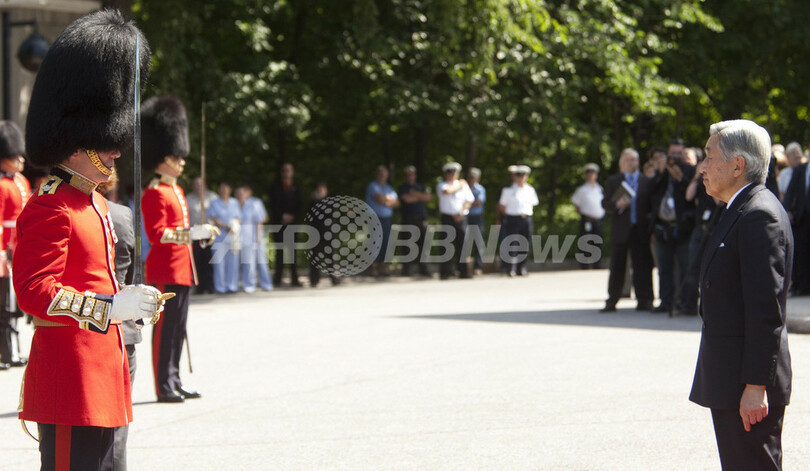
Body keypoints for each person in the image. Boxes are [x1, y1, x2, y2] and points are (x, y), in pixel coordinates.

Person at [13, 11, 165, 468]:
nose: (116, 150)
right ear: (76, 142)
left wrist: (130, 304)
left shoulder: (94, 204)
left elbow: (96, 277)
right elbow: (35, 292)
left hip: (105, 374)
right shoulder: (49, 206)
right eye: (105, 143)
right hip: (70, 382)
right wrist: (107, 308)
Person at [690, 119, 792, 470]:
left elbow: (766, 310)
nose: (701, 166)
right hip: (732, 378)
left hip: (745, 384)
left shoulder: (757, 215)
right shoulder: (740, 209)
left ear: (737, 165)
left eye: (708, 155)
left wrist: (755, 385)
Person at [141, 95, 219, 403]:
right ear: (161, 158)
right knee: (165, 331)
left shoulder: (174, 189)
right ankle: (163, 385)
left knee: (178, 329)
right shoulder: (155, 192)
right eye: (175, 156)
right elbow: (158, 234)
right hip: (165, 268)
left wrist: (195, 234)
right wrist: (191, 234)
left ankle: (174, 379)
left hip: (183, 268)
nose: (181, 161)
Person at [97, 172, 140, 470]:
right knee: (118, 426)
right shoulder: (123, 213)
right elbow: (132, 270)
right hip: (124, 327)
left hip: (91, 324)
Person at [601, 148, 655, 312]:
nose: (630, 163)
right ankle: (612, 300)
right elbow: (605, 204)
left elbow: (652, 206)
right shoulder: (614, 181)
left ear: (638, 162)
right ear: (621, 164)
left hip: (641, 229)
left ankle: (644, 300)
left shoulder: (647, 181)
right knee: (617, 265)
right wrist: (617, 205)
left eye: (633, 160)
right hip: (621, 230)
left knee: (642, 265)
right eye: (627, 160)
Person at [649, 138, 697, 314]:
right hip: (663, 227)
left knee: (685, 268)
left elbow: (691, 196)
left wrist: (681, 178)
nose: (675, 157)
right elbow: (650, 193)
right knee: (664, 268)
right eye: (672, 153)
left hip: (682, 227)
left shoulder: (689, 170)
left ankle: (686, 303)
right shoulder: (662, 172)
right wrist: (661, 173)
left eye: (679, 153)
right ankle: (666, 301)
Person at [0, 121, 30, 370]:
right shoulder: (2, 185)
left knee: (15, 303)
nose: (20, 159)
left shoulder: (22, 182)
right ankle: (6, 352)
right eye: (14, 155)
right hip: (5, 250)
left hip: (20, 247)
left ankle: (14, 349)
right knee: (4, 305)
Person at [498, 165, 539, 277]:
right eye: (518, 175)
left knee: (525, 243)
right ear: (515, 177)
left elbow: (533, 204)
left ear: (526, 177)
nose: (521, 178)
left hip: (526, 218)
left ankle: (522, 267)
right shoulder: (508, 190)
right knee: (513, 243)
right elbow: (502, 206)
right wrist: (510, 216)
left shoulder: (530, 190)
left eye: (523, 175)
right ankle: (511, 268)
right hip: (513, 219)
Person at [438, 162, 474, 279]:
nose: (452, 175)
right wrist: (460, 185)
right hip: (447, 217)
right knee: (446, 244)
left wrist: (461, 212)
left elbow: (469, 201)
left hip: (461, 217)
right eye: (449, 173)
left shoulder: (464, 186)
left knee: (463, 244)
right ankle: (445, 272)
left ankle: (463, 271)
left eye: (454, 173)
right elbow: (447, 192)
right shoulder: (442, 185)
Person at [782, 144, 810, 296]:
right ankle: (801, 285)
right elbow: (790, 191)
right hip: (801, 217)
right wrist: (785, 210)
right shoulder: (800, 170)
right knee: (800, 252)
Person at [269, 162, 303, 287]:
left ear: (292, 172)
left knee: (292, 252)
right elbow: (272, 204)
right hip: (279, 224)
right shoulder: (275, 187)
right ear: (281, 172)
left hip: (292, 224)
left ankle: (294, 279)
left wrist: (292, 216)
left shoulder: (296, 187)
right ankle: (277, 279)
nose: (286, 173)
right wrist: (281, 217)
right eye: (284, 170)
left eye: (289, 170)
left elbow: (300, 204)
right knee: (279, 252)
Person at [236, 183, 273, 292]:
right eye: (237, 193)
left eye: (242, 192)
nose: (239, 195)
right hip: (242, 237)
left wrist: (258, 237)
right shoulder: (235, 204)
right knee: (248, 262)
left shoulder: (255, 203)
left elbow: (261, 219)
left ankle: (266, 284)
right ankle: (249, 284)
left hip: (255, 236)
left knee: (261, 261)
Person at [397, 166, 432, 276]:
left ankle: (424, 269)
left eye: (412, 174)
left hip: (421, 220)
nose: (410, 176)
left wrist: (415, 194)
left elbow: (428, 198)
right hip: (408, 220)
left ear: (415, 175)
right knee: (407, 246)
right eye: (408, 174)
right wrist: (420, 196)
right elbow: (407, 199)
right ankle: (406, 270)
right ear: (405, 176)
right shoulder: (402, 188)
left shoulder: (420, 187)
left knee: (423, 246)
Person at [185, 177, 218, 294]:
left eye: (200, 184)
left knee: (209, 259)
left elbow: (217, 213)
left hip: (209, 231)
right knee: (197, 259)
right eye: (196, 185)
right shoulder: (189, 198)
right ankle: (199, 286)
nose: (198, 187)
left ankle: (210, 285)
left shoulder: (212, 197)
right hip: (196, 231)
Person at [365, 165, 399, 276]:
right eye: (380, 175)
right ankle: (373, 266)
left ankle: (383, 266)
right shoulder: (373, 186)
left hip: (386, 218)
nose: (382, 177)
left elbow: (397, 203)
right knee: (375, 241)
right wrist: (389, 200)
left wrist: (386, 200)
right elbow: (379, 200)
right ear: (377, 175)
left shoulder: (388, 187)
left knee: (386, 242)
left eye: (384, 175)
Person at [208, 181, 241, 293]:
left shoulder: (234, 202)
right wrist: (225, 226)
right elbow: (213, 217)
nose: (224, 191)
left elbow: (238, 217)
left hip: (232, 237)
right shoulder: (214, 203)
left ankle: (232, 286)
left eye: (226, 188)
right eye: (221, 188)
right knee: (219, 263)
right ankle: (220, 287)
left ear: (229, 189)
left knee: (233, 262)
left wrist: (234, 226)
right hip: (219, 236)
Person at [571, 163, 604, 269]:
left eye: (593, 173)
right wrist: (583, 214)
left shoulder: (600, 189)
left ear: (596, 175)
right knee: (585, 241)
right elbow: (576, 204)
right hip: (587, 219)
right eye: (588, 173)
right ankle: (584, 264)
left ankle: (596, 264)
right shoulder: (582, 189)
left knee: (597, 241)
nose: (591, 175)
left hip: (598, 219)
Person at [307, 181, 340, 287]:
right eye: (319, 189)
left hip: (328, 233)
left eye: (322, 189)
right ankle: (314, 279)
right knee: (315, 258)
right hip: (315, 232)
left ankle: (333, 278)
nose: (321, 191)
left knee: (330, 257)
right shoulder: (312, 202)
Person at [467, 167, 486, 274]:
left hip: (477, 217)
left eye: (474, 177)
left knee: (479, 242)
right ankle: (462, 266)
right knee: (464, 241)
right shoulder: (463, 188)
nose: (472, 180)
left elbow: (479, 202)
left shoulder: (480, 189)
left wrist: (466, 203)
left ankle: (478, 267)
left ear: (478, 178)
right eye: (470, 177)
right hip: (466, 217)